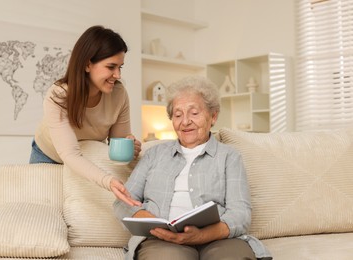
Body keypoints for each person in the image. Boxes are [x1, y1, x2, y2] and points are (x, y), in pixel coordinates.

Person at [113, 76, 272, 260]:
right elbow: (122, 202)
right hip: (161, 240)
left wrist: (202, 235)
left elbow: (241, 214)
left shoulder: (229, 157)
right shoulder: (153, 155)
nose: (185, 121)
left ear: (213, 116)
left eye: (194, 113)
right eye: (178, 115)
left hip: (219, 239)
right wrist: (153, 223)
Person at [30, 25, 141, 207]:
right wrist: (108, 181)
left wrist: (130, 148)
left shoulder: (119, 94)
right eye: (111, 67)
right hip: (48, 155)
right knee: (45, 210)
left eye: (120, 67)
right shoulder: (58, 95)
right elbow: (70, 154)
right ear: (87, 64)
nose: (118, 75)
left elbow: (116, 144)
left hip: (86, 155)